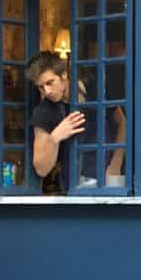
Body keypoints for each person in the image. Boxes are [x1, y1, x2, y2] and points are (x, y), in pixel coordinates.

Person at [27, 51, 86, 193]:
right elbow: (41, 168)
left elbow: (122, 122)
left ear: (64, 75)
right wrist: (55, 137)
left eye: (49, 83)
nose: (46, 91)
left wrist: (116, 162)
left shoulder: (89, 88)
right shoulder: (44, 112)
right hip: (72, 185)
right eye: (41, 87)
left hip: (107, 176)